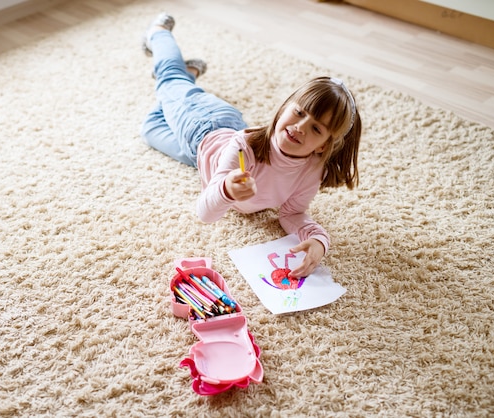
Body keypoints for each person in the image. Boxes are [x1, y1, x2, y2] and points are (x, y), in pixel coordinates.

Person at [141, 13, 362, 278]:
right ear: (285, 107)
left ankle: (185, 80)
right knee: (168, 80)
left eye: (316, 128)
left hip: (200, 157)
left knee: (150, 129)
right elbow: (205, 213)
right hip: (205, 125)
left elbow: (292, 213)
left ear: (323, 147)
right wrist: (225, 189)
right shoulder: (244, 146)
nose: (300, 127)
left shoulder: (313, 170)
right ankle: (159, 34)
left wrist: (318, 240)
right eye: (299, 112)